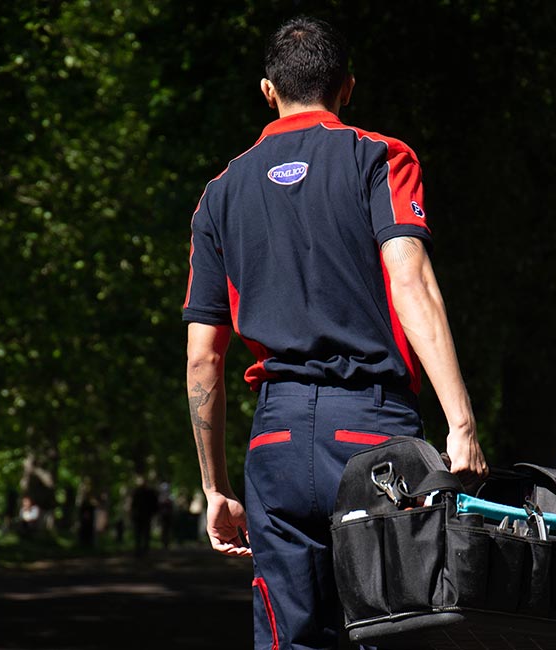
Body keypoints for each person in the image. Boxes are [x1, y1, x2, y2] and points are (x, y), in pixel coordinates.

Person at [183, 16, 488, 650]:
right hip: (372, 438)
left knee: (290, 638)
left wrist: (215, 488)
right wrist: (461, 425)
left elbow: (203, 362)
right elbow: (412, 285)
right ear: (347, 87)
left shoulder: (218, 194)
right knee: (391, 624)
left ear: (268, 90)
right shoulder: (380, 157)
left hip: (277, 440)